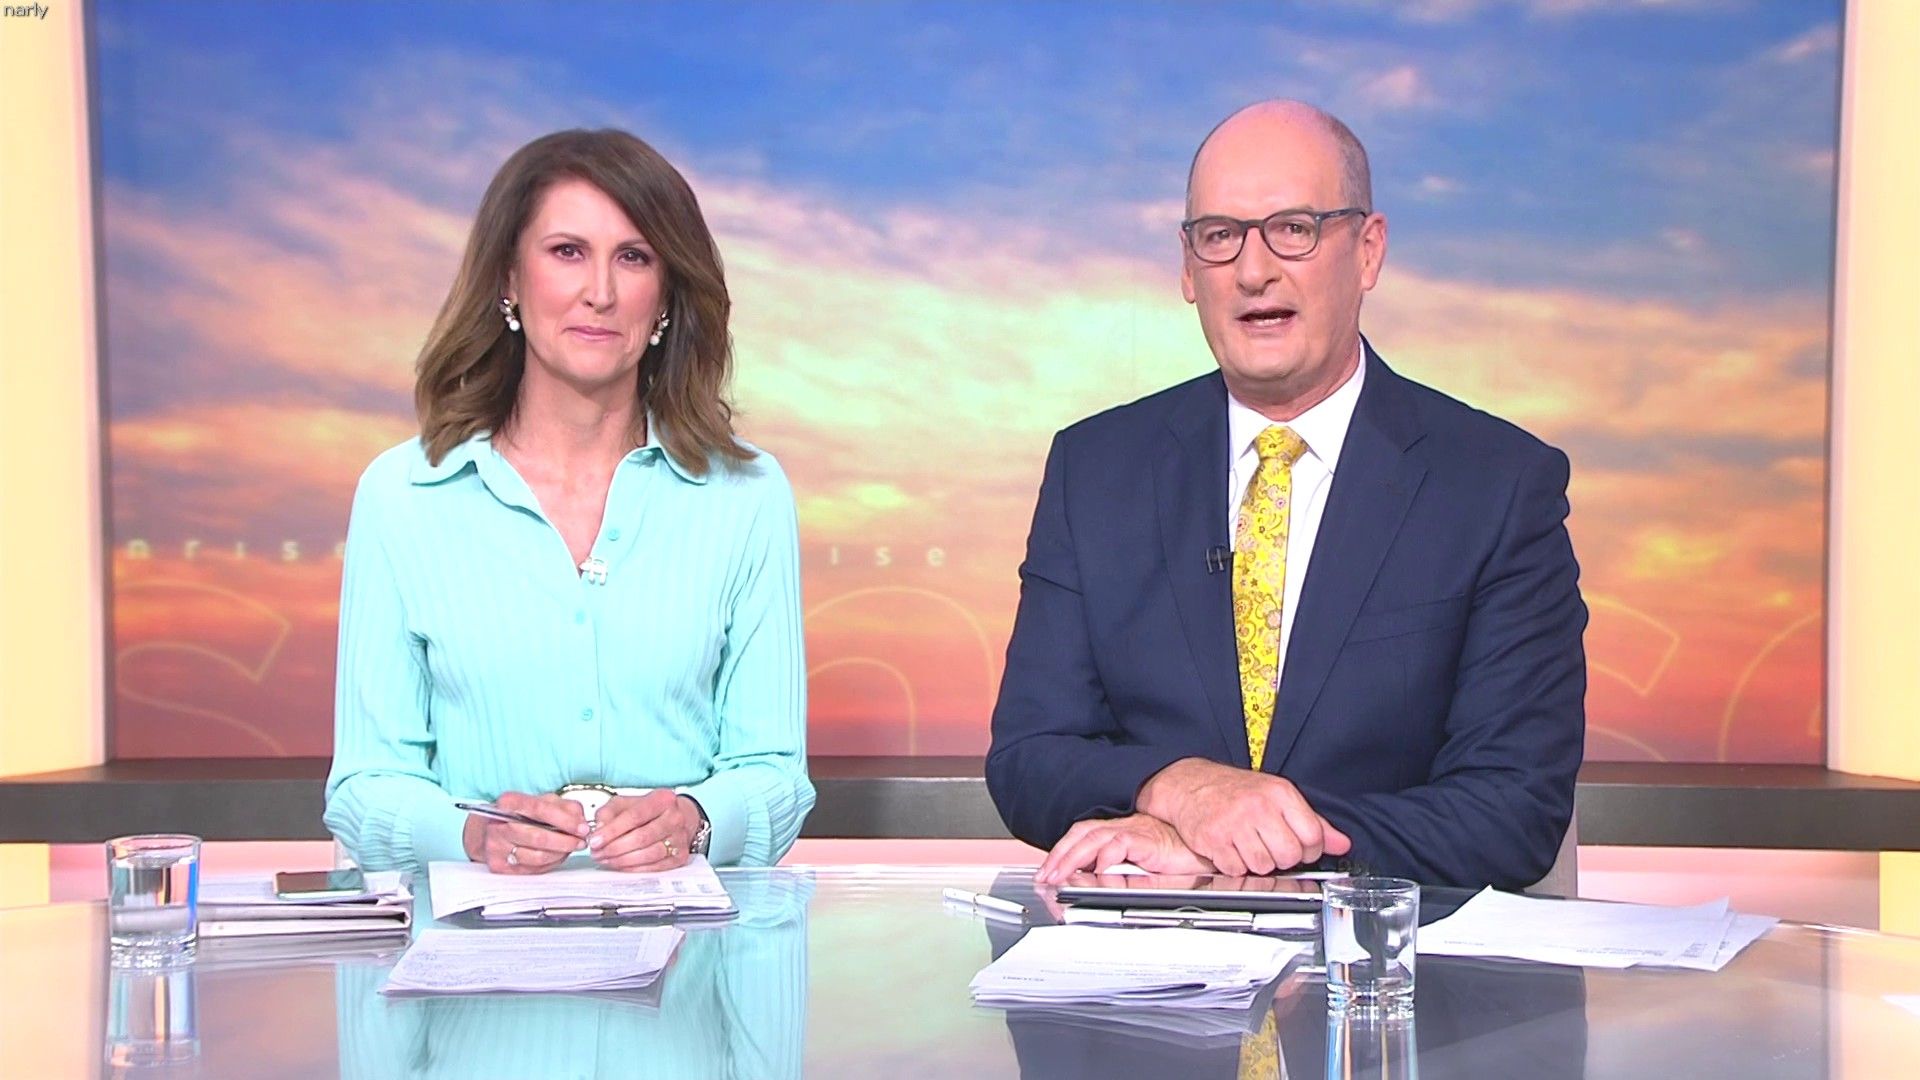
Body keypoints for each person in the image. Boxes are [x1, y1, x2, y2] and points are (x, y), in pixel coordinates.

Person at [987, 101, 1586, 890]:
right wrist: (1178, 789)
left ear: (1368, 251)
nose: (1253, 270)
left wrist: (1235, 841)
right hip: (1148, 957)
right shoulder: (1095, 469)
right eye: (1220, 236)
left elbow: (1511, 811)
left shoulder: (1497, 486)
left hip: (1389, 954)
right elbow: (1029, 756)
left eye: (1293, 229)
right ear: (1188, 268)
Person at [325, 129, 814, 876]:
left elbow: (775, 773)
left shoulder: (747, 495)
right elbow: (365, 787)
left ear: (666, 295)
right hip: (476, 933)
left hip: (687, 936)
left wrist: (697, 820)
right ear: (508, 279)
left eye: (634, 257)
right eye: (567, 252)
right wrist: (472, 834)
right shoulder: (402, 496)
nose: (601, 292)